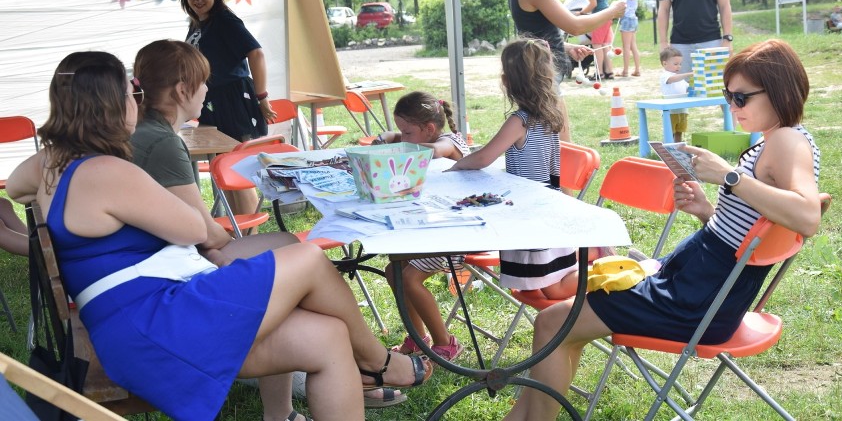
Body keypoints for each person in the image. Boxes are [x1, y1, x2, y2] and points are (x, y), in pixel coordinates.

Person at [7, 51, 432, 421]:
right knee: (305, 259)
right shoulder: (106, 171)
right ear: (112, 105)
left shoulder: (47, 164)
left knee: (327, 337)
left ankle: (363, 367)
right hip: (153, 327)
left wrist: (20, 234)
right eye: (131, 94)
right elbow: (194, 229)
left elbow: (14, 188)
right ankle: (377, 362)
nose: (137, 102)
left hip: (137, 319)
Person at [503, 39, 822, 421]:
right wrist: (708, 212)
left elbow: (807, 216)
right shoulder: (780, 140)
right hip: (701, 286)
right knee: (564, 323)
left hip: (698, 300)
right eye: (728, 95)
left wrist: (728, 175)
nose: (732, 106)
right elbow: (752, 234)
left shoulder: (787, 139)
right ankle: (522, 418)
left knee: (553, 321)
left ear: (780, 90)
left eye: (741, 98)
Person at [449, 40, 609, 299]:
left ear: (506, 81)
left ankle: (606, 268)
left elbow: (484, 158)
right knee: (535, 284)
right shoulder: (552, 111)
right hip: (543, 205)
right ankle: (589, 253)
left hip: (533, 213)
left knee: (553, 289)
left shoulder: (520, 120)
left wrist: (455, 166)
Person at [503, 0, 625, 141]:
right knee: (563, 148)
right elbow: (575, 25)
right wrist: (612, 12)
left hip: (539, 72)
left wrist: (566, 47)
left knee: (548, 147)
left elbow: (536, 33)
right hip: (543, 75)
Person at [373, 91, 469, 362]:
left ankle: (446, 343)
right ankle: (418, 338)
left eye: (407, 132)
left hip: (458, 233)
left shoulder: (448, 143)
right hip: (433, 228)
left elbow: (434, 151)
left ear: (429, 129)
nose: (403, 137)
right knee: (394, 270)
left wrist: (394, 147)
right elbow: (397, 136)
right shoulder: (426, 136)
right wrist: (387, 138)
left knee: (409, 278)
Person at [180, 0, 275, 216]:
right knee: (224, 169)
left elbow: (256, 53)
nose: (198, 0)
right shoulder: (199, 23)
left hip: (232, 99)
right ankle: (239, 234)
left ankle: (249, 238)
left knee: (235, 168)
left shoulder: (224, 20)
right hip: (211, 102)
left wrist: (262, 96)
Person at [575, 0, 615, 80]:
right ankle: (609, 71)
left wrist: (581, 13)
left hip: (600, 16)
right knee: (605, 45)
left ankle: (600, 73)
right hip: (607, 14)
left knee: (597, 45)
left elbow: (593, 3)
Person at [659, 47, 694, 143]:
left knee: (680, 131)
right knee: (670, 131)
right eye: (675, 64)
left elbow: (687, 87)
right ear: (665, 63)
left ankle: (678, 148)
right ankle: (668, 147)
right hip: (670, 111)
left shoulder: (680, 78)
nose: (679, 66)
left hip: (682, 109)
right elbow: (672, 79)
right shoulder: (665, 75)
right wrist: (688, 74)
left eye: (680, 64)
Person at [615, 0, 641, 77]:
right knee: (632, 46)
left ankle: (625, 71)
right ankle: (637, 70)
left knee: (626, 47)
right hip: (630, 20)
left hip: (628, 20)